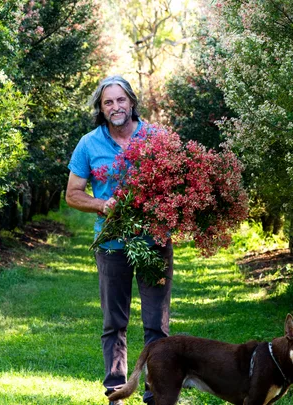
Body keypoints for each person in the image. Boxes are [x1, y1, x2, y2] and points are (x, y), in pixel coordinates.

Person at [65, 75, 173, 405]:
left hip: (154, 243)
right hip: (112, 247)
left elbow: (178, 184)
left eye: (121, 99)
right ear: (101, 108)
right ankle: (116, 392)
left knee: (157, 324)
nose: (116, 106)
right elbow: (72, 194)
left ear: (131, 102)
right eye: (108, 102)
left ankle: (155, 393)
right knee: (115, 323)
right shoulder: (89, 144)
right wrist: (102, 204)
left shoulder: (156, 136)